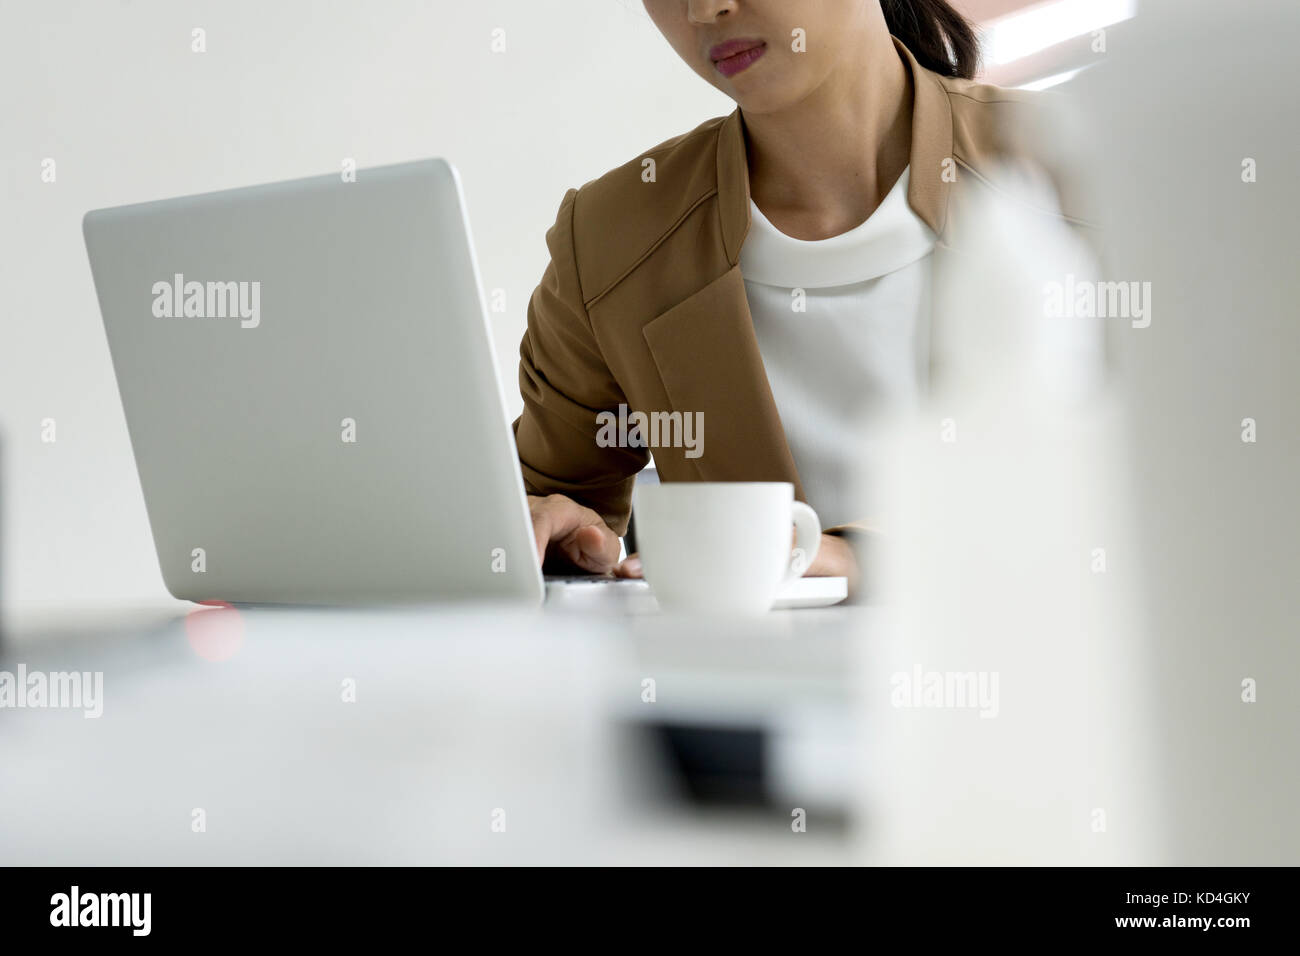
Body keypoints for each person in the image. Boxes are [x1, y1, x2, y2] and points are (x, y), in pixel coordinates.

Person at [516, 0, 1091, 597]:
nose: (705, 7)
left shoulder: (1085, 172)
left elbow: (1170, 481)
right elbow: (550, 501)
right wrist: (560, 535)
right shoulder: (611, 239)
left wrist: (875, 555)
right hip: (749, 686)